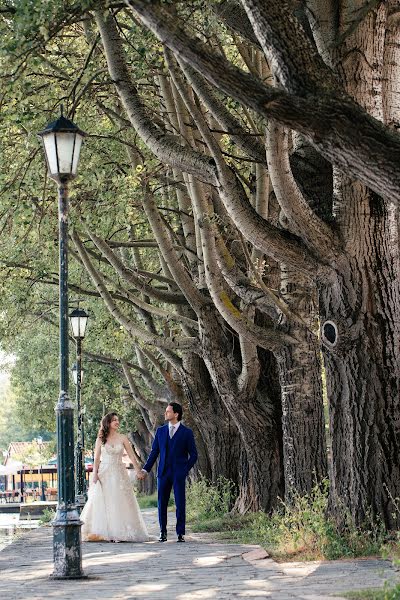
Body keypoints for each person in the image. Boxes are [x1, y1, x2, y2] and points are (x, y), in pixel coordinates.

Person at [81, 412, 149, 542]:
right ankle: (107, 532)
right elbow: (96, 459)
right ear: (108, 423)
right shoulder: (100, 439)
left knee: (119, 500)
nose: (117, 422)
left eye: (118, 420)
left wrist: (138, 470)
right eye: (114, 420)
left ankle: (120, 532)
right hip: (104, 473)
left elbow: (131, 456)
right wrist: (94, 474)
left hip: (119, 473)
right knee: (106, 501)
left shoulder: (123, 438)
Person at [138, 402, 198, 542]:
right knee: (162, 503)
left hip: (179, 473)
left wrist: (185, 469)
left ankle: (180, 533)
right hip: (163, 472)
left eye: (168, 411)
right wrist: (145, 469)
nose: (165, 413)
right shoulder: (160, 431)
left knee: (180, 502)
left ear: (176, 414)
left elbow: (194, 455)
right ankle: (162, 532)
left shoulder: (187, 433)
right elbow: (154, 453)